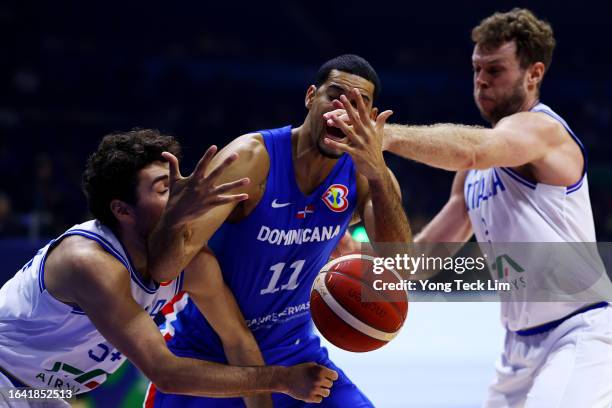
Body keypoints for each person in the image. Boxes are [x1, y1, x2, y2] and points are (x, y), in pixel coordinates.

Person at [325, 8, 612, 408]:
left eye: (495, 70)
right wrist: (364, 258)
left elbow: (475, 149)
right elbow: (422, 258)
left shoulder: (544, 130)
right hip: (518, 348)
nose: (481, 81)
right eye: (476, 69)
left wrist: (381, 135)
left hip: (578, 331)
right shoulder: (471, 177)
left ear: (534, 73)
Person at [144, 54, 412, 407]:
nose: (345, 109)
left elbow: (400, 266)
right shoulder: (252, 158)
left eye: (360, 104)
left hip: (296, 353)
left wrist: (378, 173)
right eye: (335, 95)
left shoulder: (365, 175)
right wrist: (174, 218)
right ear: (310, 96)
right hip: (212, 357)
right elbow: (163, 268)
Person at [0, 129, 337, 408]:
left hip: (38, 393)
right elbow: (165, 372)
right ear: (122, 210)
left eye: (180, 180)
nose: (182, 192)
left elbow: (238, 341)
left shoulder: (192, 261)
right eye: (164, 188)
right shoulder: (89, 262)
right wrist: (281, 378)